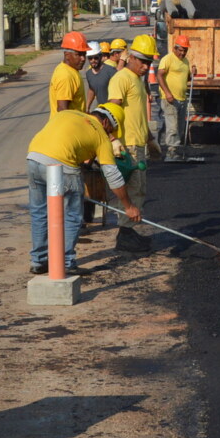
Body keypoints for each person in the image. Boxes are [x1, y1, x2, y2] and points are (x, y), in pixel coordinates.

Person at [26, 107, 141, 275]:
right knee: (72, 215)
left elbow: (66, 140)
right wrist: (128, 206)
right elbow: (113, 176)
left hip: (34, 158)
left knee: (39, 212)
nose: (111, 135)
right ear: (105, 122)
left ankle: (39, 261)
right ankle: (65, 262)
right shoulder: (100, 135)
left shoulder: (68, 114)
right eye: (111, 130)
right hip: (62, 166)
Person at [108, 33, 158, 253]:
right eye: (143, 62)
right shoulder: (121, 78)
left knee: (139, 191)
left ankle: (131, 233)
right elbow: (111, 111)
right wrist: (113, 139)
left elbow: (138, 114)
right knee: (131, 190)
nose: (146, 67)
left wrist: (150, 139)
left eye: (149, 63)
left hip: (139, 143)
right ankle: (125, 236)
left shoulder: (137, 79)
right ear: (132, 58)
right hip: (126, 145)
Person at [157, 35, 196, 162]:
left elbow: (187, 79)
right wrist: (167, 93)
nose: (183, 52)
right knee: (172, 126)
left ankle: (176, 150)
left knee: (180, 126)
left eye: (185, 50)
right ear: (175, 48)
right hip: (170, 99)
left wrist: (193, 73)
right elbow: (159, 76)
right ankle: (170, 152)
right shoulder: (167, 59)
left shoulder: (186, 62)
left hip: (182, 99)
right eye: (180, 50)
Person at [49, 32, 88, 119]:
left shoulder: (71, 70)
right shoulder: (66, 75)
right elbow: (62, 110)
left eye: (84, 54)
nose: (83, 59)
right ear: (67, 55)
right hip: (67, 129)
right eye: (78, 54)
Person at [85, 42, 116, 111]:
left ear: (101, 56)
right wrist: (87, 107)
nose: (93, 61)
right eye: (90, 58)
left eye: (96, 58)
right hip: (101, 110)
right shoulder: (89, 74)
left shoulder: (111, 71)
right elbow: (92, 89)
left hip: (113, 110)